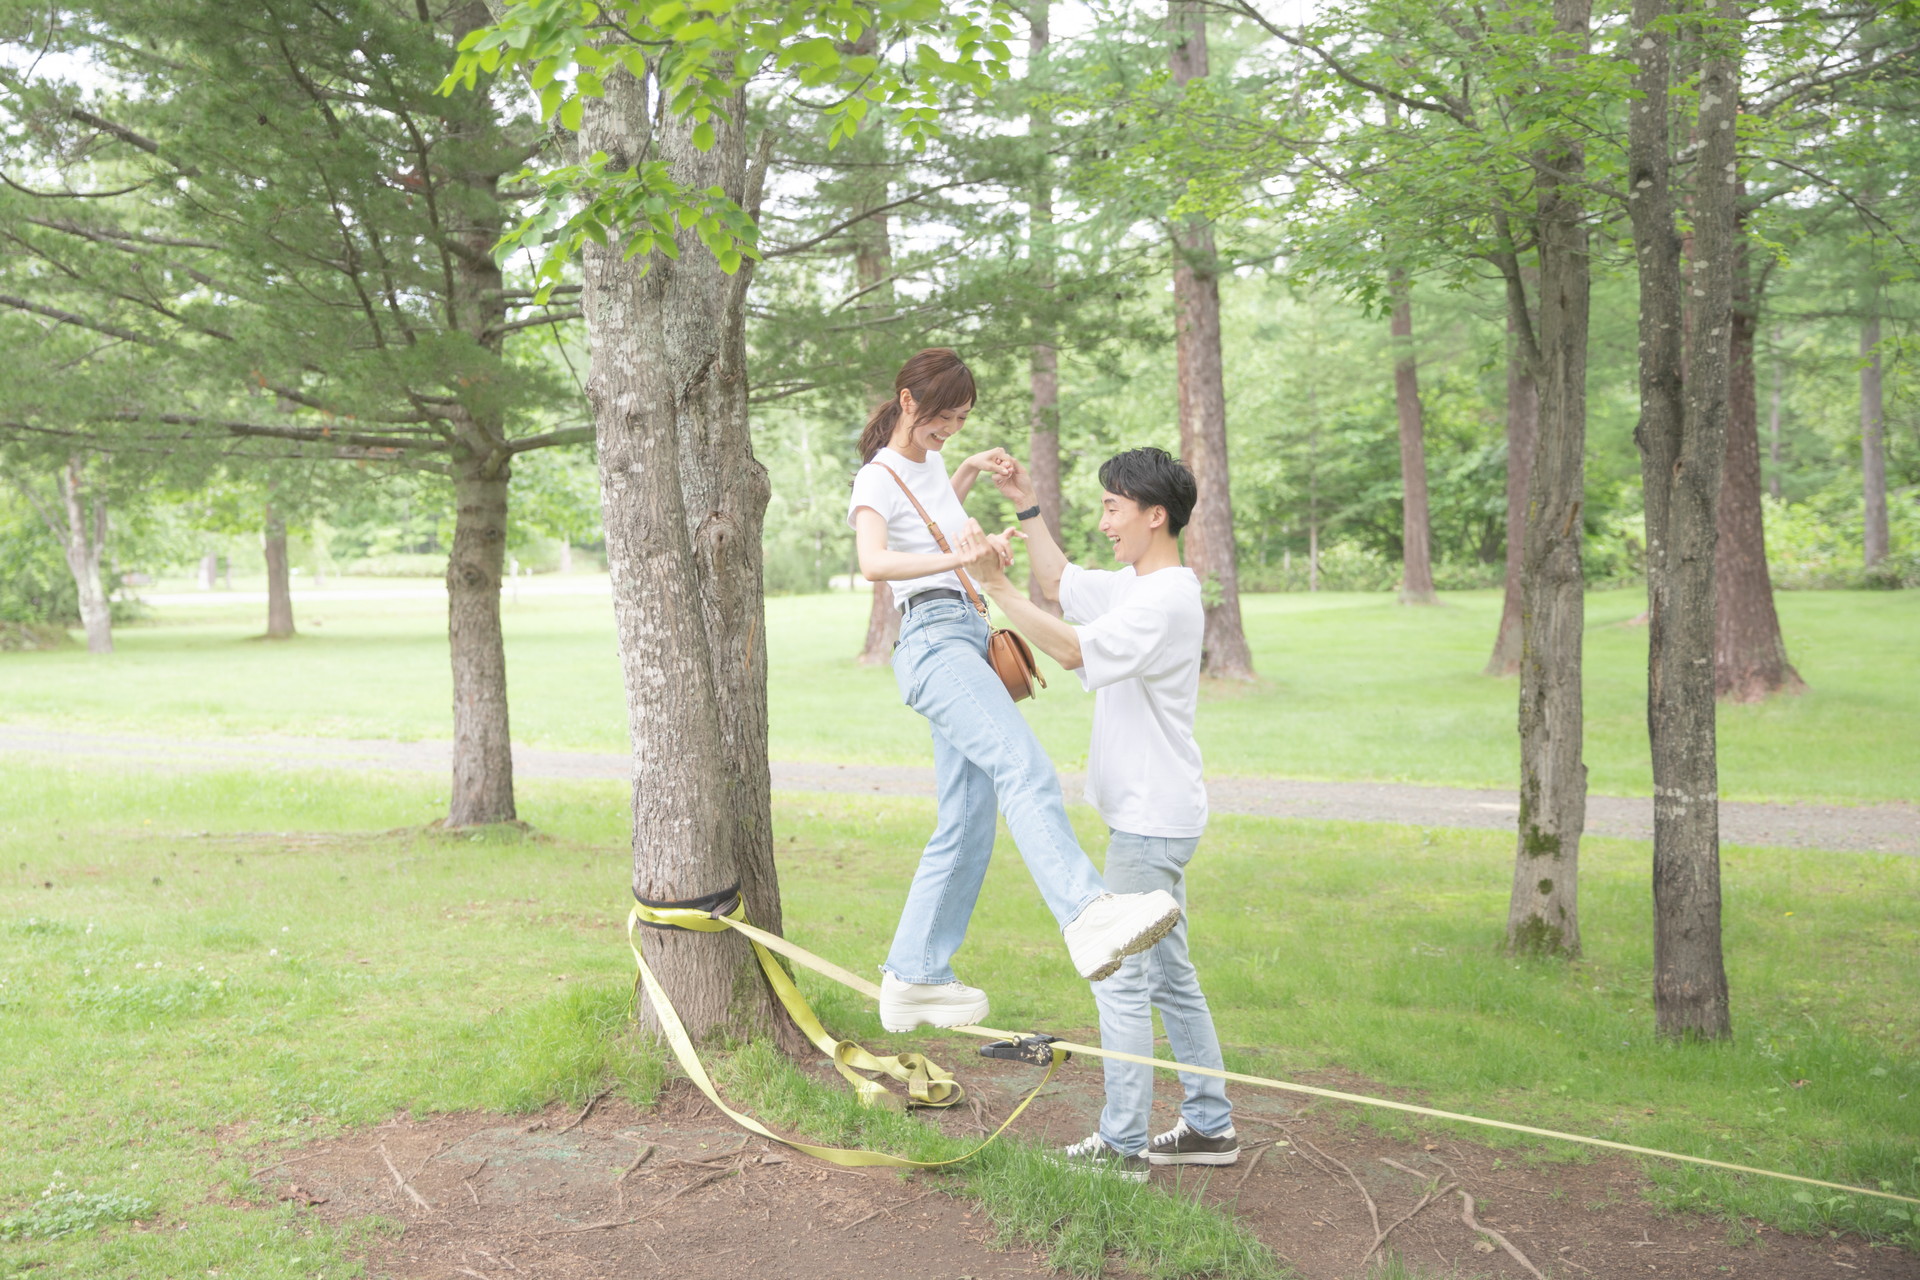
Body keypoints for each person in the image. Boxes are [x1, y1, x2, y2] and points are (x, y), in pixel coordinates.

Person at [847, 349, 1182, 1036]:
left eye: (964, 420)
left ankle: (913, 977)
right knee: (1024, 768)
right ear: (908, 403)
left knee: (966, 819)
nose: (953, 431)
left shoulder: (934, 466)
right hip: (934, 642)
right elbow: (875, 561)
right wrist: (958, 561)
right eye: (945, 419)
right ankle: (1087, 916)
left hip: (965, 632)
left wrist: (971, 491)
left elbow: (937, 519)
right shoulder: (876, 478)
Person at [961, 446, 1237, 1182]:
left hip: (1151, 822)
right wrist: (1025, 503)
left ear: (1156, 515)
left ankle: (1121, 1147)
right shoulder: (1138, 586)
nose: (1105, 519)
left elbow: (1075, 651)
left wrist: (996, 589)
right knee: (1171, 979)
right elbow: (1059, 582)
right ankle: (1210, 1126)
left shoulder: (1166, 600)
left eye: (1114, 507)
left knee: (1118, 975)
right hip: (1152, 814)